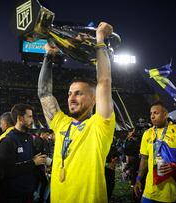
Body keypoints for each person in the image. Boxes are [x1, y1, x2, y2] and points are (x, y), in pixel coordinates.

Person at [37, 22, 115, 202]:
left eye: (79, 94)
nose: (71, 98)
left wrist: (100, 40)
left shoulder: (100, 125)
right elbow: (44, 93)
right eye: (70, 93)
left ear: (94, 99)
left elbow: (104, 81)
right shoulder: (61, 123)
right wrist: (48, 55)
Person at [133, 101, 176, 203]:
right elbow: (144, 158)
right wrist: (138, 179)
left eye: (156, 113)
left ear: (165, 114)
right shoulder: (147, 134)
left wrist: (174, 166)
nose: (152, 116)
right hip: (150, 191)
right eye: (151, 113)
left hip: (173, 192)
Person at [0, 103, 47, 203]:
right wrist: (33, 163)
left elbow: (33, 157)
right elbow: (6, 171)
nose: (32, 120)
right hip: (12, 195)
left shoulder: (28, 137)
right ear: (20, 118)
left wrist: (47, 163)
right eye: (29, 117)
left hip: (28, 191)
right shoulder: (7, 140)